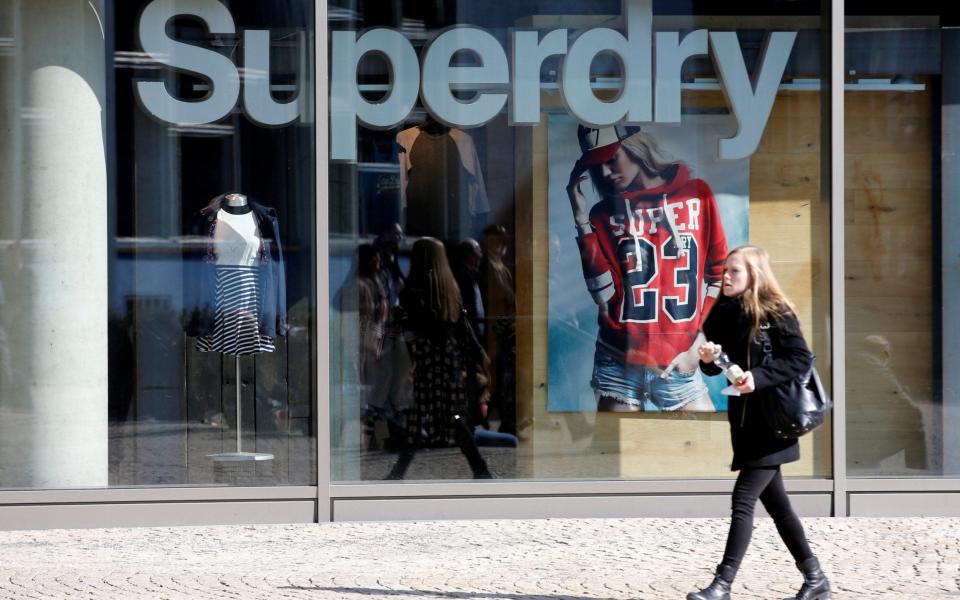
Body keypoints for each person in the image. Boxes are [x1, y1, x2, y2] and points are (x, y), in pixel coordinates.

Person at [689, 245, 830, 600]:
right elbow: (720, 365)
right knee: (779, 506)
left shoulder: (774, 311)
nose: (726, 276)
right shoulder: (720, 313)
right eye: (725, 270)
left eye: (734, 271)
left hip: (774, 420)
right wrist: (709, 360)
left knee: (743, 499)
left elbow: (799, 358)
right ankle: (815, 579)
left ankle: (722, 584)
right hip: (744, 421)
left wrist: (760, 378)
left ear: (754, 274)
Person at [567, 125, 728, 412]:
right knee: (612, 453)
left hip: (677, 358)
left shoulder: (697, 195)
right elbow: (603, 295)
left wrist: (698, 340)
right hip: (618, 357)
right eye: (596, 166)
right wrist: (581, 221)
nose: (604, 173)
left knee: (703, 452)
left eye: (611, 159)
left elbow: (719, 275)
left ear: (635, 148)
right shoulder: (603, 215)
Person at [386, 237, 493, 480]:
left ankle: (399, 472)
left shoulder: (416, 288)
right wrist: (480, 354)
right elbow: (463, 326)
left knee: (420, 414)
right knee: (452, 415)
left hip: (428, 359)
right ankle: (479, 468)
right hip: (448, 360)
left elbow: (416, 326)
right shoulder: (448, 287)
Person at [481, 224, 517, 435]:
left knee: (500, 374)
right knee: (493, 374)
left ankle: (498, 415)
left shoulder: (500, 264)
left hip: (502, 328)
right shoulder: (489, 265)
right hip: (493, 327)